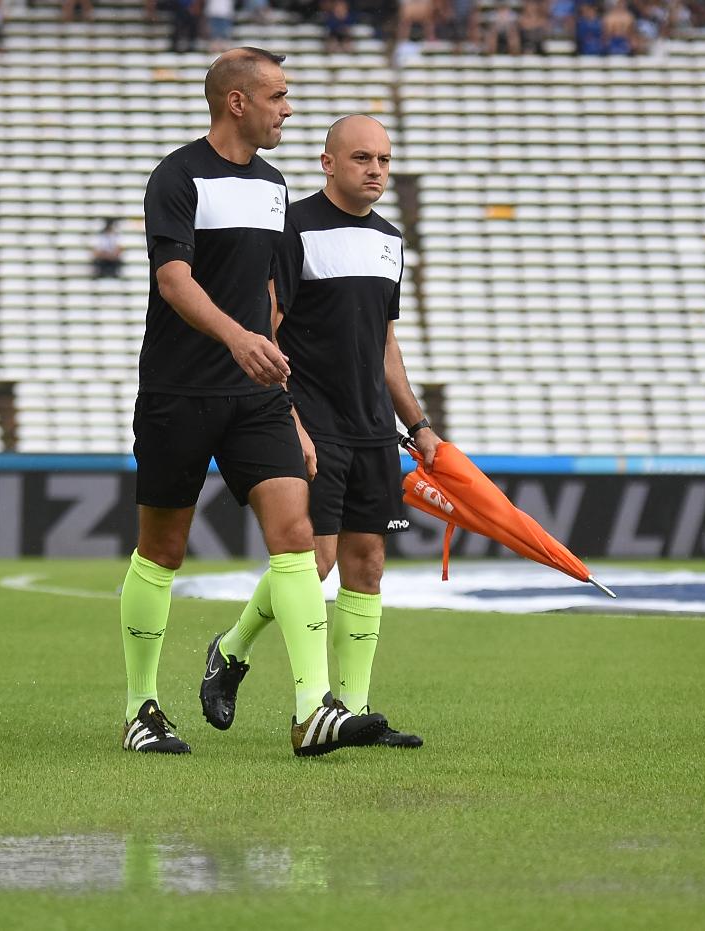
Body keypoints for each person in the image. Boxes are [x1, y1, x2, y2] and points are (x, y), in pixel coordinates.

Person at [123, 48, 383, 759]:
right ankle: (140, 706)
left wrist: (289, 405)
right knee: (162, 548)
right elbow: (173, 280)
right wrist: (237, 337)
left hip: (257, 395)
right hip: (178, 391)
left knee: (296, 536)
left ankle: (311, 710)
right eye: (277, 96)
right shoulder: (177, 177)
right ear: (236, 102)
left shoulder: (274, 185)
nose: (287, 109)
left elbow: (270, 301)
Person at [223, 114, 436, 749]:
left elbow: (385, 344)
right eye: (363, 158)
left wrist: (417, 423)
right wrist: (287, 417)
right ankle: (231, 651)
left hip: (372, 426)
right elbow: (268, 330)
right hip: (312, 420)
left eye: (385, 161)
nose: (376, 170)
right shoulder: (293, 228)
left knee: (367, 563)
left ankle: (355, 710)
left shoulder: (390, 240)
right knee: (313, 562)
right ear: (328, 163)